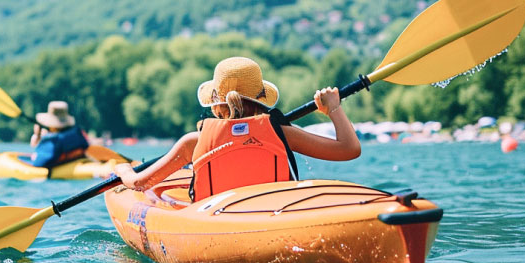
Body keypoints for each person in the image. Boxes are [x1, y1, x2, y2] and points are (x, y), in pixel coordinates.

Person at [114, 57, 360, 200]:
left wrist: (123, 169)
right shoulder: (280, 133)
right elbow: (349, 150)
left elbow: (138, 184)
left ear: (215, 104)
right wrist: (334, 109)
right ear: (260, 99)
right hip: (275, 219)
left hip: (216, 228)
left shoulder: (193, 143)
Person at [23, 101, 89, 168]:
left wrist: (44, 137)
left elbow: (38, 163)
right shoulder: (78, 134)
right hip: (79, 163)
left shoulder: (53, 141)